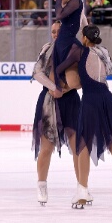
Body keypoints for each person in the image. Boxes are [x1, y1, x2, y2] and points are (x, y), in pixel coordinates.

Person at [55, 25, 112, 208]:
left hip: (91, 100)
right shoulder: (103, 51)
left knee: (83, 144)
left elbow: (60, 68)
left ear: (84, 38)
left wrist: (64, 75)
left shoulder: (79, 52)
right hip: (107, 98)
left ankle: (82, 190)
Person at [31, 21, 82, 205]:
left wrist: (68, 88)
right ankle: (42, 185)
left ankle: (82, 187)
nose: (55, 34)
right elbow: (37, 72)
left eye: (58, 31)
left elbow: (83, 76)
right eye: (53, 31)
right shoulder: (47, 49)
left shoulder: (76, 49)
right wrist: (54, 87)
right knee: (46, 147)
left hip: (71, 101)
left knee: (77, 148)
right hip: (49, 101)